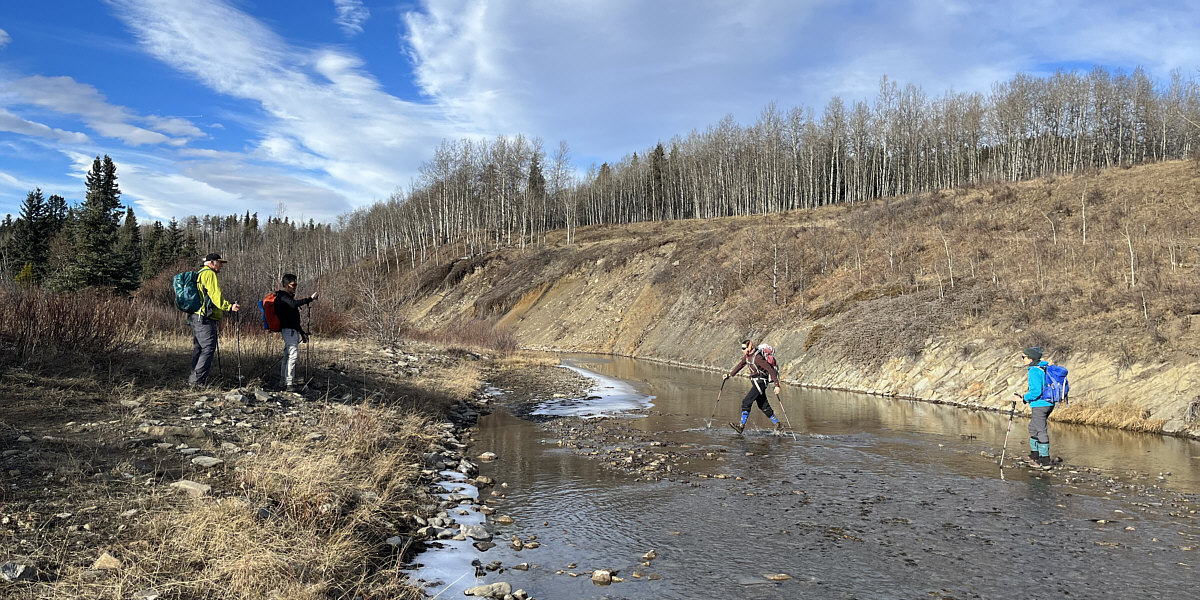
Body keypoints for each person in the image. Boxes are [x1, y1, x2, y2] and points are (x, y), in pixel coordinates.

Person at [188, 253, 239, 386]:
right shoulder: (209, 274)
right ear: (212, 262)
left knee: (199, 348)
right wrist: (228, 307)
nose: (221, 265)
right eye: (219, 263)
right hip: (204, 317)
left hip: (195, 316)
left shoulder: (199, 273)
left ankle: (194, 378)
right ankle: (197, 382)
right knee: (208, 347)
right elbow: (215, 295)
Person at [723, 339, 783, 433]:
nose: (742, 350)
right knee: (762, 405)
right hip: (756, 382)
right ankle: (778, 424)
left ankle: (741, 426)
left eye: (744, 348)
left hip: (761, 382)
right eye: (742, 348)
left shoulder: (758, 358)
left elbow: (770, 370)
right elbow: (740, 365)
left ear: (749, 347)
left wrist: (777, 385)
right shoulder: (747, 357)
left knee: (746, 402)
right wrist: (729, 375)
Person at [274, 273, 317, 392]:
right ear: (285, 285)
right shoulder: (282, 297)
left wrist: (302, 333)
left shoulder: (286, 298)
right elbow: (294, 305)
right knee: (293, 356)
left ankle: (284, 382)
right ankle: (289, 383)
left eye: (296, 285)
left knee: (287, 356)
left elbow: (294, 319)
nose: (295, 287)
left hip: (292, 331)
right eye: (293, 285)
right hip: (288, 331)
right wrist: (310, 299)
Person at [1012, 347, 1054, 470]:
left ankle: (1044, 461)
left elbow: (1036, 392)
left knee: (1040, 430)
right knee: (1033, 427)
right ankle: (1034, 455)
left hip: (1040, 404)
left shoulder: (1034, 371)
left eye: (1023, 357)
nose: (1022, 359)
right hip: (1047, 403)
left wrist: (1023, 399)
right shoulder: (1043, 368)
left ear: (1030, 359)